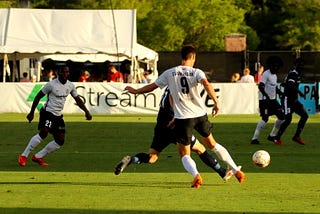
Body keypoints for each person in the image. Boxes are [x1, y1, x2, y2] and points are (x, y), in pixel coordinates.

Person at [125, 45, 245, 188]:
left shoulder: (170, 73)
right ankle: (236, 170)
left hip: (184, 118)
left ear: (181, 56)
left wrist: (135, 91)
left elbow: (152, 87)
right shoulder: (196, 72)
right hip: (200, 115)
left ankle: (196, 176)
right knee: (213, 144)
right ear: (193, 57)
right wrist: (216, 102)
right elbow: (206, 83)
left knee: (185, 154)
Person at [115, 87, 235, 182]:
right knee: (200, 149)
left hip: (161, 127)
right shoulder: (176, 88)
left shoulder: (168, 86)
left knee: (152, 157)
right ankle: (222, 172)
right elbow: (173, 99)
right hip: (174, 125)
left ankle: (132, 159)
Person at [18, 66, 92, 167]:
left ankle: (38, 156)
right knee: (44, 132)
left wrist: (86, 111)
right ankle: (23, 156)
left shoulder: (70, 85)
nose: (66, 74)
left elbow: (78, 100)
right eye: (63, 72)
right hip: (48, 112)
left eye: (67, 72)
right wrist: (31, 113)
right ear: (59, 73)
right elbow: (38, 97)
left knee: (60, 140)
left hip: (58, 115)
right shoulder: (51, 84)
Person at [274, 58, 309, 145]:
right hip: (287, 100)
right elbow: (290, 85)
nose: (302, 66)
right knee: (288, 120)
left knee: (305, 116)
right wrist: (300, 92)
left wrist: (284, 84)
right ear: (296, 65)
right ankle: (277, 138)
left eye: (303, 64)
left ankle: (296, 136)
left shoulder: (296, 74)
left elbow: (288, 83)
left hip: (294, 100)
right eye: (300, 64)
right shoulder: (293, 73)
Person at [251, 56, 284, 145]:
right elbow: (261, 86)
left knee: (281, 116)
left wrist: (280, 92)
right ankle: (254, 139)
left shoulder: (275, 76)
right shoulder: (266, 74)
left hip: (273, 100)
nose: (275, 68)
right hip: (265, 100)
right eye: (274, 66)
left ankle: (272, 136)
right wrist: (266, 96)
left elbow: (273, 87)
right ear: (270, 66)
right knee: (265, 119)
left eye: (277, 66)